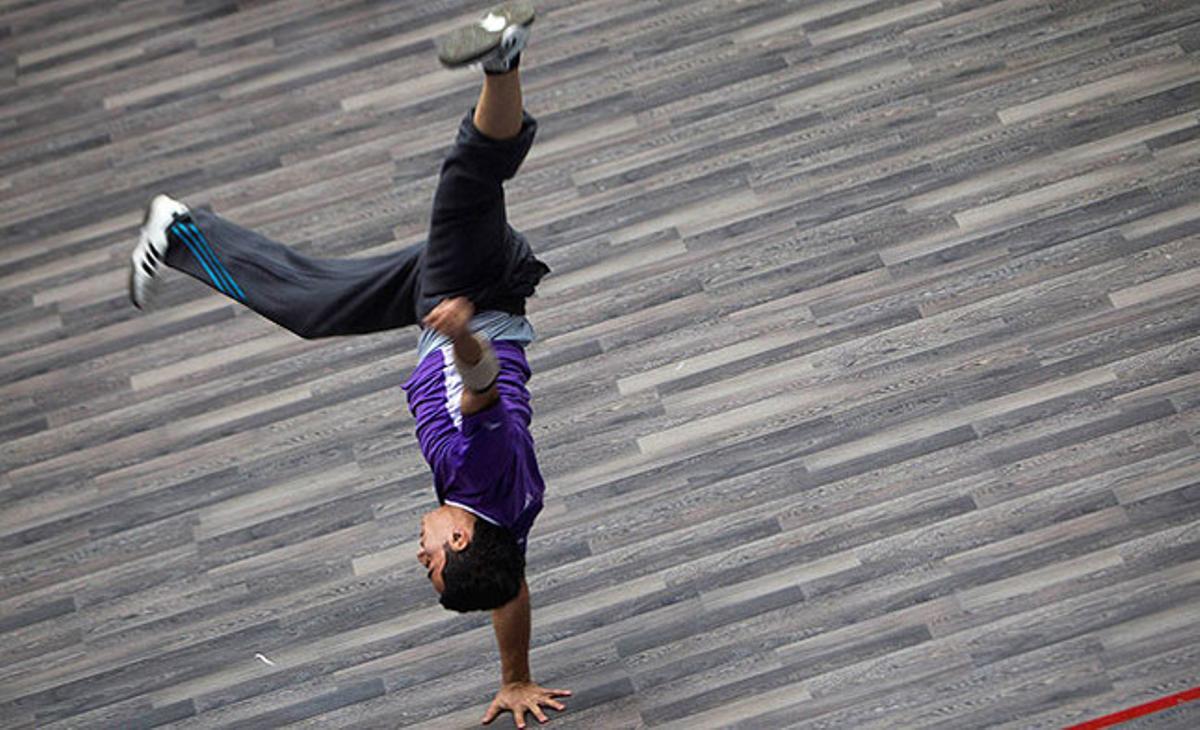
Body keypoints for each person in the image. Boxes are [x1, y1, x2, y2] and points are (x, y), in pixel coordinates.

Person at [127, 3, 571, 726]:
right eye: (430, 562)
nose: (418, 553)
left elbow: (506, 587)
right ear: (458, 537)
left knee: (314, 308)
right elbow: (483, 385)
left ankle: (181, 231)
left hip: (448, 309)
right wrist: (460, 332)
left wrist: (517, 678)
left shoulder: (498, 528)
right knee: (469, 176)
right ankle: (505, 55)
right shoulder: (483, 473)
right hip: (472, 298)